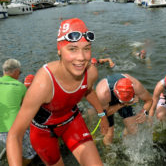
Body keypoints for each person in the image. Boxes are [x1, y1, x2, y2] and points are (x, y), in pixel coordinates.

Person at [6, 18, 109, 166]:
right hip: (43, 132)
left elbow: (88, 90)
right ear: (59, 50)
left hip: (72, 121)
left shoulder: (91, 72)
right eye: (72, 49)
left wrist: (102, 114)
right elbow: (15, 134)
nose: (81, 57)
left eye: (86, 48)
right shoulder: (44, 83)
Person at [0, 59, 37, 166]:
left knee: (14, 150)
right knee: (31, 153)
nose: (19, 75)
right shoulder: (20, 86)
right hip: (13, 133)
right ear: (16, 71)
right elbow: (26, 107)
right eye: (20, 72)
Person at [95, 73, 153, 145]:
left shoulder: (136, 86)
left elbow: (149, 100)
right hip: (108, 102)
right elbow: (105, 114)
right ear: (116, 92)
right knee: (109, 135)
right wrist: (124, 103)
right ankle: (108, 152)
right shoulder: (103, 93)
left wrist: (144, 112)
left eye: (129, 99)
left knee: (133, 130)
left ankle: (123, 139)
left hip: (125, 101)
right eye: (123, 100)